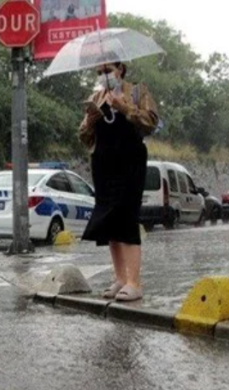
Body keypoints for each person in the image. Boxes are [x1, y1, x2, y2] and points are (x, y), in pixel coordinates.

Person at [78, 62, 159, 302]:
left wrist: (125, 108)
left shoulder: (137, 92)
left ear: (120, 69)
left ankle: (135, 282)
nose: (104, 76)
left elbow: (151, 123)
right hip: (103, 163)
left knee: (126, 217)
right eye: (99, 72)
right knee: (109, 220)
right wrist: (89, 121)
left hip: (130, 161)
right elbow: (84, 137)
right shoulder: (96, 96)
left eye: (108, 70)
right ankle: (120, 278)